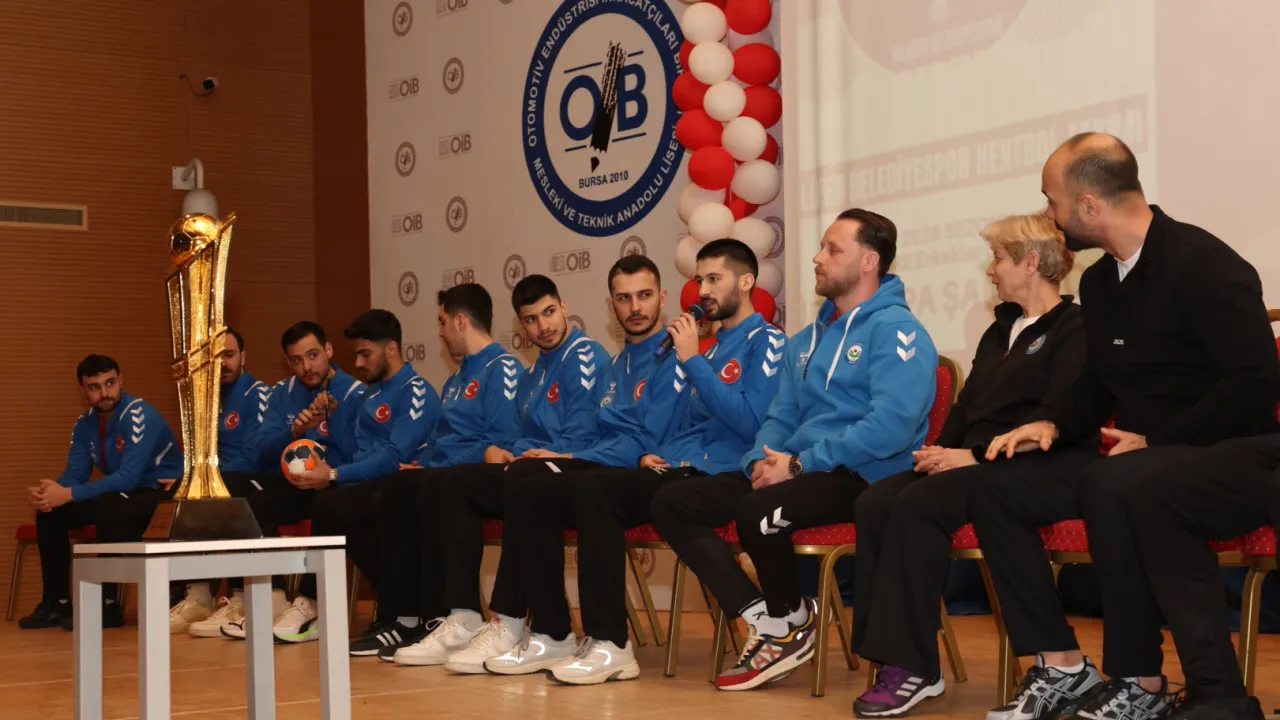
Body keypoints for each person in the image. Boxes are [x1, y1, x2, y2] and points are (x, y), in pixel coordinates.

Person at [977, 133, 1280, 720]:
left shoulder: (1203, 264)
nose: (1048, 213)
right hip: (1141, 455)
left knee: (1117, 483)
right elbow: (1098, 383)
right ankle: (1062, 666)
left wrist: (1160, 440)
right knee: (998, 488)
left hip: (1231, 447)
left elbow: (1254, 383)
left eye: (1052, 200)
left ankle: (1143, 679)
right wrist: (1051, 423)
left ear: (1089, 205)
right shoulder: (1099, 282)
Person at [456, 240, 786, 684]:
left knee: (593, 489)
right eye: (699, 279)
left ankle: (610, 641)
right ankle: (552, 632)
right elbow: (684, 428)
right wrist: (658, 452)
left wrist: (690, 364)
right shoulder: (700, 351)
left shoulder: (759, 342)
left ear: (746, 282)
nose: (702, 290)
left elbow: (748, 422)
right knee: (534, 489)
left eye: (713, 279)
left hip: (719, 473)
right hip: (676, 466)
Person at [651, 209, 938, 691]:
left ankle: (787, 623)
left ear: (869, 262)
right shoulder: (805, 340)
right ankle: (771, 616)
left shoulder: (897, 330)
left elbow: (891, 427)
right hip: (798, 468)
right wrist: (759, 461)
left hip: (863, 473)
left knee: (757, 511)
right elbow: (780, 417)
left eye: (832, 249)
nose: (817, 258)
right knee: (673, 502)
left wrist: (800, 464)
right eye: (821, 246)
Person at [847, 213, 1084, 717]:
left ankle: (911, 667)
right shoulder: (999, 330)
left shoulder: (1075, 327)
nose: (990, 270)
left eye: (997, 259)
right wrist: (938, 453)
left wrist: (971, 456)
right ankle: (894, 655)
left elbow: (1059, 415)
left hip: (1033, 464)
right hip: (976, 462)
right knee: (877, 500)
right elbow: (967, 407)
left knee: (919, 503)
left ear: (1031, 262)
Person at [377, 274, 610, 668]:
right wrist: (501, 451)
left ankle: (516, 621)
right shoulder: (534, 373)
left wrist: (537, 454)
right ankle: (462, 615)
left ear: (564, 308)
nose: (543, 326)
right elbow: (518, 436)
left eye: (549, 313)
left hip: (578, 465)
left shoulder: (583, 354)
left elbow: (582, 432)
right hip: (535, 468)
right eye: (531, 319)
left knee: (515, 481)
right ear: (521, 325)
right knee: (453, 482)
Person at [343, 283, 524, 657]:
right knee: (399, 486)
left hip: (482, 479)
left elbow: (498, 441)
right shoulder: (455, 380)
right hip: (450, 476)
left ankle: (455, 615)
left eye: (442, 322)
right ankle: (409, 617)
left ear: (460, 321)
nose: (439, 332)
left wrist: (437, 467)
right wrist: (421, 464)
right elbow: (440, 440)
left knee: (437, 485)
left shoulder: (502, 367)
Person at [257, 310, 437, 644]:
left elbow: (393, 456)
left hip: (403, 485)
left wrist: (334, 474)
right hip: (372, 484)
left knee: (332, 503)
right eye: (356, 354)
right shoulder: (370, 395)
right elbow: (356, 451)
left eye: (365, 354)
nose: (357, 363)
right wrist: (333, 416)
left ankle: (400, 609)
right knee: (331, 505)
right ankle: (393, 607)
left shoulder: (416, 390)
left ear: (391, 349)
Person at [214, 320, 365, 640]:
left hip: (335, 483)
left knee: (329, 504)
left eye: (313, 355)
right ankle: (272, 598)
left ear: (328, 350)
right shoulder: (282, 392)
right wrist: (294, 431)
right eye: (297, 360)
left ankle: (311, 602)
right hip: (291, 484)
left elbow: (360, 455)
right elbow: (262, 454)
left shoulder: (355, 392)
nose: (306, 367)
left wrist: (333, 424)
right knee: (249, 502)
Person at [19, 355, 184, 631]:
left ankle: (108, 606)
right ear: (83, 390)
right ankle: (56, 603)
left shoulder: (139, 415)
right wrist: (51, 493)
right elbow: (75, 475)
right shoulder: (85, 423)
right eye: (94, 387)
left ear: (121, 381)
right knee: (51, 512)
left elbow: (128, 478)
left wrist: (69, 494)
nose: (105, 393)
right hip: (123, 493)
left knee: (109, 506)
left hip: (161, 494)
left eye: (110, 383)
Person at [170, 327, 274, 636]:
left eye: (229, 355)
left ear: (243, 356)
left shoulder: (258, 394)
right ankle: (198, 595)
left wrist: (209, 480)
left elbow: (254, 456)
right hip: (220, 478)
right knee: (177, 494)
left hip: (255, 478)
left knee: (223, 492)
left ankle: (240, 599)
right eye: (216, 357)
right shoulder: (205, 398)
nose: (223, 363)